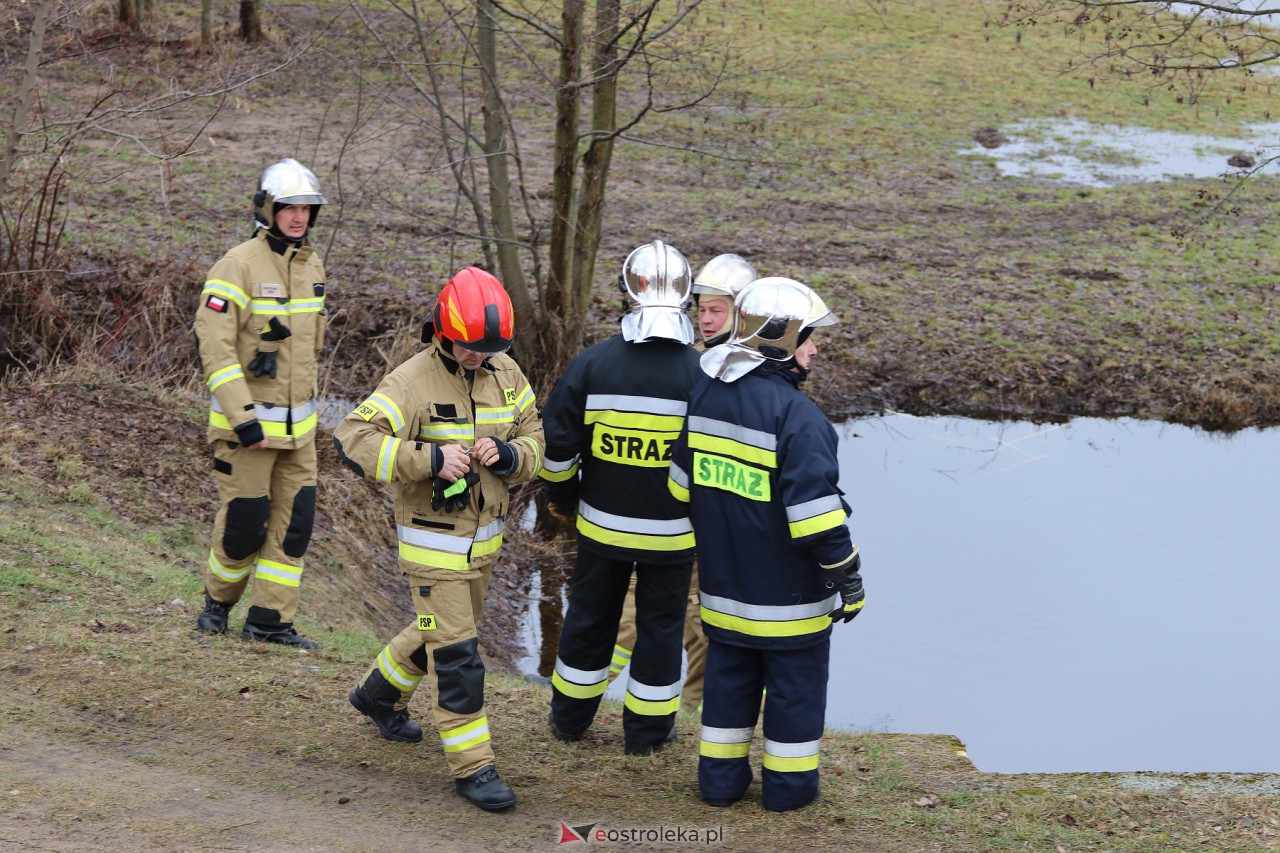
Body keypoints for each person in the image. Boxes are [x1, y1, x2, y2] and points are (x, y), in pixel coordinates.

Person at [332, 267, 544, 812]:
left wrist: (511, 455)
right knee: (457, 655)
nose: (479, 357)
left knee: (439, 630)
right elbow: (353, 438)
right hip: (432, 549)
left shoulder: (506, 371)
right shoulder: (411, 381)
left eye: (489, 349)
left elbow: (535, 438)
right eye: (470, 347)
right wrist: (429, 459)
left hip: (484, 547)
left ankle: (377, 694)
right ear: (445, 332)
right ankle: (473, 767)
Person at [667, 276, 864, 812]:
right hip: (789, 605)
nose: (815, 350)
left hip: (723, 594)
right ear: (781, 339)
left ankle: (719, 784)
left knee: (728, 688)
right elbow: (816, 522)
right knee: (795, 696)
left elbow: (679, 487)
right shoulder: (801, 419)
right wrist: (849, 577)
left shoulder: (705, 396)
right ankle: (789, 792)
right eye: (809, 338)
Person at [540, 240, 703, 756]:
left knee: (589, 619)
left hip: (601, 528)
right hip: (674, 536)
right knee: (661, 630)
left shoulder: (592, 365)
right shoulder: (704, 375)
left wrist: (563, 500)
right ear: (687, 298)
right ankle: (648, 736)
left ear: (625, 294)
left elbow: (557, 450)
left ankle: (569, 721)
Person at [606, 253, 758, 713]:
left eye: (717, 310)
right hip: (674, 519)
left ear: (742, 313)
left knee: (704, 637)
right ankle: (579, 689)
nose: (705, 319)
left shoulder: (745, 374)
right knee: (636, 617)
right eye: (701, 309)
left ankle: (694, 719)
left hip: (713, 529)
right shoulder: (699, 365)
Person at [193, 157, 330, 649]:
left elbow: (308, 353)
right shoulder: (237, 264)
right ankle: (217, 605)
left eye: (306, 209)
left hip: (300, 436)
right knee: (244, 526)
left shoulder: (313, 266)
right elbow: (215, 347)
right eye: (289, 207)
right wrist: (243, 419)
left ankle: (270, 622)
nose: (298, 217)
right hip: (246, 432)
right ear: (267, 209)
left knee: (294, 528)